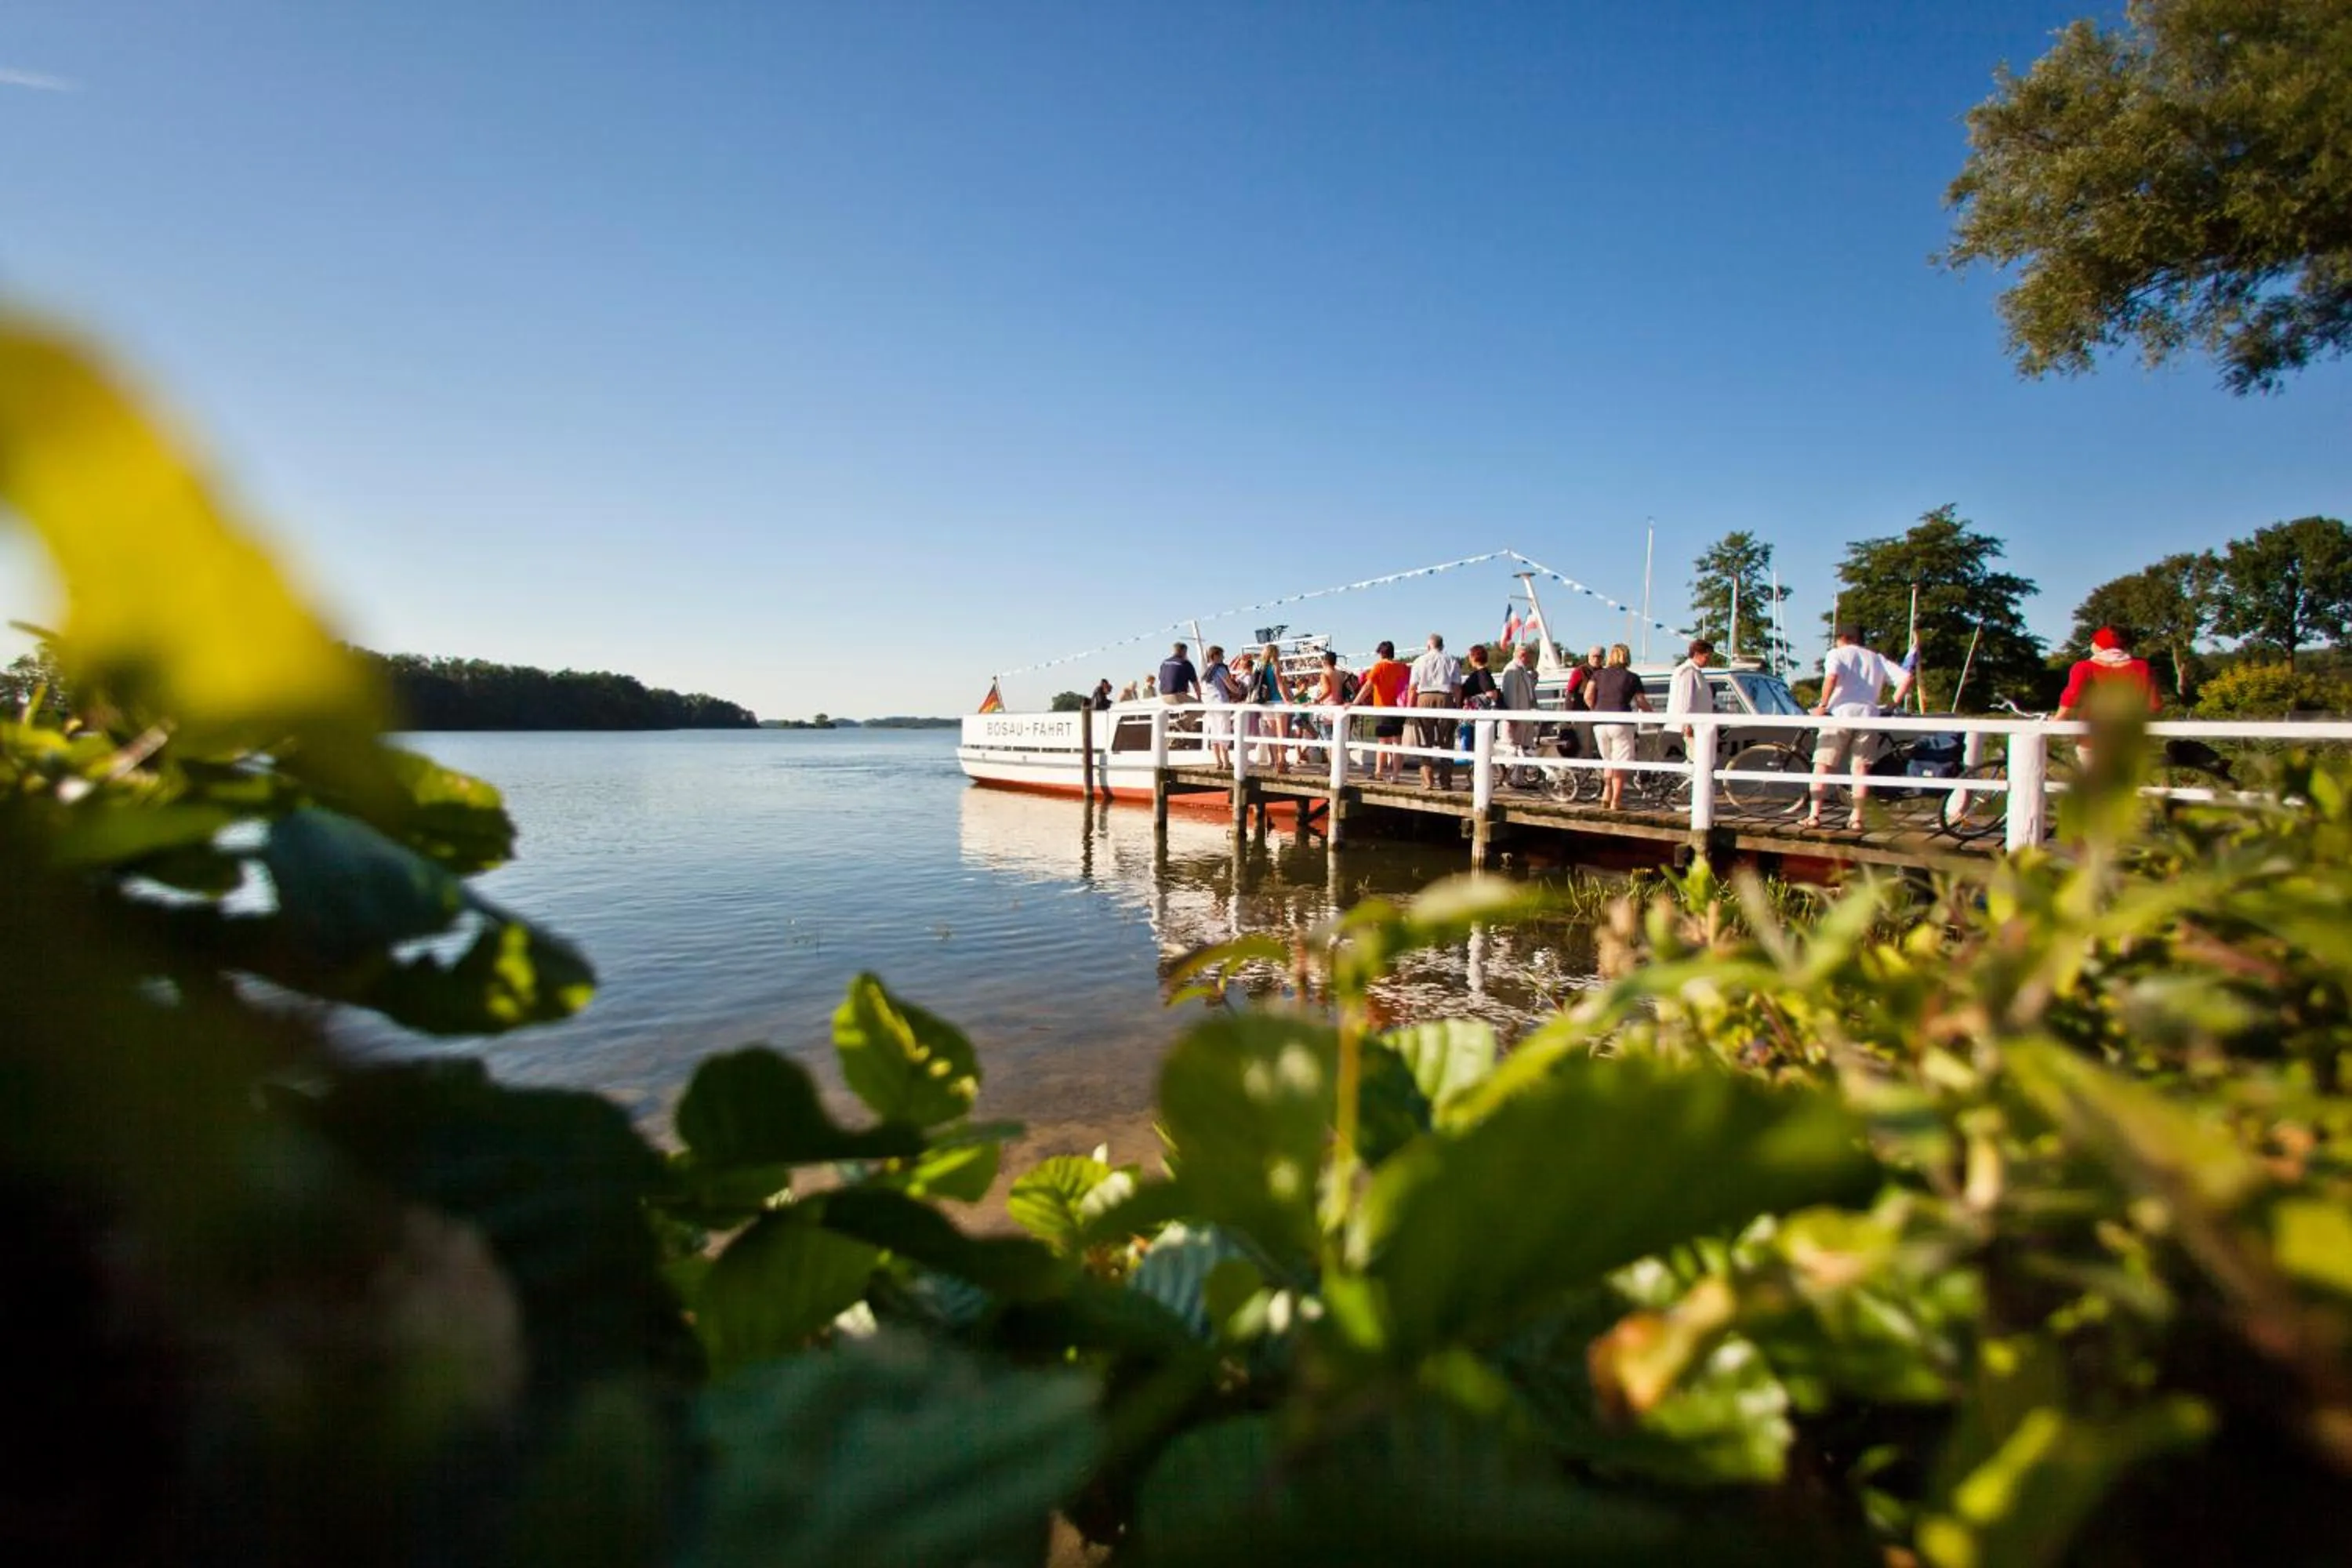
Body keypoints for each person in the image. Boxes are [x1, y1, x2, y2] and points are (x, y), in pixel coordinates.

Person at [1807, 627, 1918, 830]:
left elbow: (1831, 677)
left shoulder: (1836, 654)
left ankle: (1814, 816)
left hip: (1840, 715)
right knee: (1860, 770)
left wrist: (1822, 705)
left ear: (1842, 638)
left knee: (1823, 765)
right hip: (1868, 717)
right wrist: (1891, 706)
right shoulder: (1875, 658)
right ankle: (1856, 818)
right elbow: (1907, 678)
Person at [2056, 626, 2161, 771]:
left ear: (2098, 646)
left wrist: (2059, 718)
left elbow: (2072, 695)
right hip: (2129, 736)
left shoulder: (2083, 667)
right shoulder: (2142, 667)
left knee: (2095, 781)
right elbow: (2154, 705)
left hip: (2092, 738)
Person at [1583, 643, 1650, 811]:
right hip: (1621, 722)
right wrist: (1655, 715)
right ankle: (1616, 800)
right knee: (1620, 763)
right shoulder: (1633, 678)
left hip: (1599, 723)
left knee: (1608, 760)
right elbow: (1641, 703)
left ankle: (1606, 795)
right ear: (1626, 657)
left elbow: (1588, 696)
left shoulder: (1598, 675)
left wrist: (1596, 709)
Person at [1347, 639, 1413, 783]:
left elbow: (1367, 687)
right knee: (1397, 743)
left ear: (1381, 653)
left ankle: (1379, 772)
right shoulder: (1403, 667)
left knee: (1383, 743)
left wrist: (1354, 702)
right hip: (1399, 708)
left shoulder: (1379, 667)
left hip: (1383, 708)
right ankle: (1395, 776)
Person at [1409, 632, 1464, 790]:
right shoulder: (1451, 660)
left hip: (1424, 697)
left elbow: (1413, 687)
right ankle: (1446, 781)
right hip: (1445, 698)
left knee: (1425, 741)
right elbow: (1456, 687)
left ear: (1428, 646)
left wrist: (1409, 707)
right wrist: (1457, 705)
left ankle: (1428, 781)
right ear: (1442, 645)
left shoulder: (1419, 661)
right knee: (1447, 741)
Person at [1497, 641, 1541, 788]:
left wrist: (1534, 679)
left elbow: (1527, 692)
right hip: (1517, 716)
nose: (1531, 660)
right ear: (1523, 655)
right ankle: (1507, 776)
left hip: (1525, 715)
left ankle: (1518, 778)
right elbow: (1510, 695)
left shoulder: (1522, 670)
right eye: (1530, 656)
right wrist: (1512, 717)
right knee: (1513, 748)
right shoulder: (1512, 670)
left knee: (1524, 747)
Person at [1666, 638, 1716, 742]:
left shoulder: (1696, 672)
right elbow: (1685, 699)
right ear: (1697, 654)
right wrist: (1687, 724)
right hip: (1689, 729)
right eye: (1706, 657)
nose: (1709, 660)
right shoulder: (1687, 671)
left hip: (1698, 727)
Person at [1199, 644, 1240, 768]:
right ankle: (1227, 762)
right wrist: (1241, 692)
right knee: (1224, 731)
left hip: (1210, 705)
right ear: (1215, 656)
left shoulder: (1206, 672)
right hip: (1221, 703)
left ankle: (1218, 761)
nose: (1223, 658)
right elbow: (1230, 687)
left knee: (1214, 732)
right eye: (1222, 655)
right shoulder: (1220, 669)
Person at [1457, 643, 1500, 759]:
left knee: (1474, 745)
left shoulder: (1481, 674)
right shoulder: (1484, 673)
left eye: (1470, 656)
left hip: (1475, 718)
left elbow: (1491, 694)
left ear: (1474, 657)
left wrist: (1471, 700)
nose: (1469, 658)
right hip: (1476, 717)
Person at [1157, 642, 1196, 706]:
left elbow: (1161, 679)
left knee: (1186, 707)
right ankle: (1186, 716)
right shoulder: (1185, 663)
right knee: (1201, 708)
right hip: (1177, 696)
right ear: (1184, 651)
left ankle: (1185, 714)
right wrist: (1199, 698)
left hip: (1164, 697)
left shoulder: (1164, 663)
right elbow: (1195, 684)